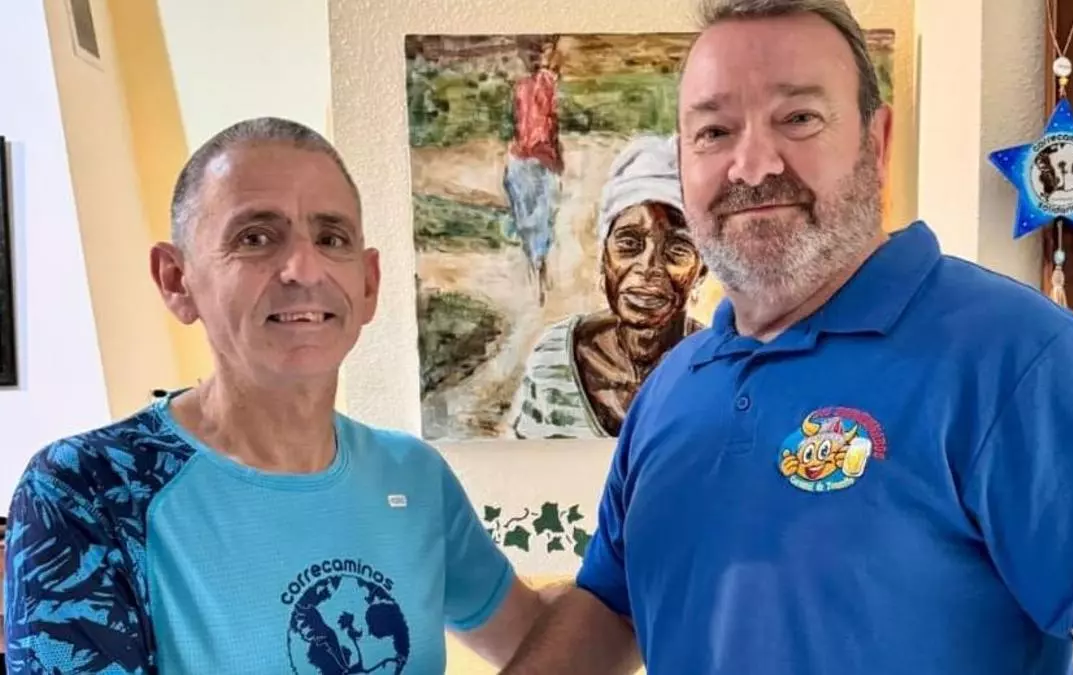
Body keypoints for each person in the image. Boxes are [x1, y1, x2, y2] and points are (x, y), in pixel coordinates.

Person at [500, 1, 1073, 674]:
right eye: (714, 131)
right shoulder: (670, 390)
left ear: (877, 141)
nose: (753, 164)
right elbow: (613, 608)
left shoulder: (1021, 359)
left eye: (798, 118)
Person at [3, 118, 549, 674]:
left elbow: (544, 640)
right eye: (255, 238)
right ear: (176, 279)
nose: (303, 269)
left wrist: (608, 567)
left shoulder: (414, 477)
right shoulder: (89, 490)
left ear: (368, 283)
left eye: (331, 239)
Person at [509, 134, 706, 439]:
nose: (648, 267)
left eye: (678, 249)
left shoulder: (719, 367)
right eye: (629, 243)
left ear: (702, 268)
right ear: (604, 256)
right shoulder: (554, 359)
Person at [503, 36, 565, 307]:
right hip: (531, 158)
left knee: (535, 216)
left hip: (531, 158)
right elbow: (546, 123)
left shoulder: (535, 84)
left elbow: (549, 123)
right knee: (536, 216)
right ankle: (537, 266)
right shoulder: (530, 85)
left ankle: (537, 265)